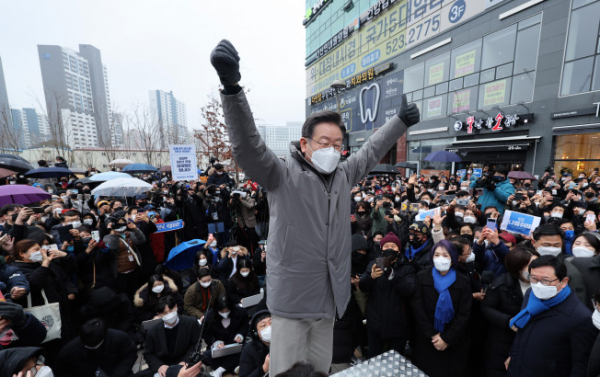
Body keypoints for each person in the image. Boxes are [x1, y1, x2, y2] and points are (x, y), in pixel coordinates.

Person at [210, 39, 420, 375]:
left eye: (338, 144)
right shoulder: (281, 174)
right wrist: (232, 88)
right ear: (305, 144)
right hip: (292, 300)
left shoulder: (343, 173)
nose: (333, 149)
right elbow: (247, 147)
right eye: (325, 142)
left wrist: (400, 123)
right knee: (288, 371)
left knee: (321, 370)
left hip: (329, 299)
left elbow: (368, 152)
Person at [506, 256, 598, 376]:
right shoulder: (531, 295)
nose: (538, 285)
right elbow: (523, 331)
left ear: (564, 282)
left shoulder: (580, 317)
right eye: (533, 278)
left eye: (545, 280)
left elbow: (581, 364)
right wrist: (513, 355)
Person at [411, 240, 472, 377]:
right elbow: (418, 307)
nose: (440, 259)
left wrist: (447, 339)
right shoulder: (422, 277)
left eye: (445, 255)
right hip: (427, 339)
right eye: (436, 255)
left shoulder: (463, 280)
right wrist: (433, 334)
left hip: (453, 341)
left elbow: (464, 313)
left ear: (453, 257)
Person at [480, 246, 539, 377]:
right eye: (530, 266)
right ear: (517, 268)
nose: (535, 270)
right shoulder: (501, 284)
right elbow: (486, 308)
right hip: (502, 342)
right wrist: (508, 321)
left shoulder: (545, 284)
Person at [359, 232, 415, 357]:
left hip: (397, 325)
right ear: (381, 249)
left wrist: (392, 275)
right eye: (386, 246)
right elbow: (363, 287)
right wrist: (371, 277)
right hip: (375, 324)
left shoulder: (407, 268)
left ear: (399, 250)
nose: (390, 249)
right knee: (374, 358)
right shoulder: (373, 265)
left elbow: (409, 290)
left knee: (396, 360)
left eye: (393, 246)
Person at [53, 318, 137, 377]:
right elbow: (61, 371)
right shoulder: (69, 350)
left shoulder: (119, 338)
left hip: (117, 372)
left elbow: (130, 355)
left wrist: (118, 374)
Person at [144, 296, 201, 377]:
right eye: (165, 313)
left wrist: (185, 361)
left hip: (185, 362)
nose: (169, 314)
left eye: (171, 310)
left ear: (176, 307)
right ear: (159, 314)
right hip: (164, 365)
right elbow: (148, 353)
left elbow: (195, 344)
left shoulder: (191, 322)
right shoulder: (153, 331)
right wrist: (159, 366)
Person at [532, 224, 587, 303]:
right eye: (546, 245)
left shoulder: (570, 273)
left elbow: (577, 303)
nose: (551, 249)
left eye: (556, 245)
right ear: (534, 243)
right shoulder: (526, 264)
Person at [202, 295, 249, 377]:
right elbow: (206, 334)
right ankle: (232, 366)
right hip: (219, 346)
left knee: (246, 348)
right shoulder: (209, 316)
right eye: (221, 311)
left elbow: (245, 326)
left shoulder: (241, 312)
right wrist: (215, 343)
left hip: (235, 344)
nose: (224, 313)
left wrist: (241, 335)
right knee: (205, 357)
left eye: (226, 311)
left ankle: (221, 369)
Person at [239, 310, 271, 377]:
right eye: (263, 325)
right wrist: (263, 369)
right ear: (256, 332)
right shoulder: (249, 350)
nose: (269, 327)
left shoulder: (284, 342)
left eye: (271, 323)